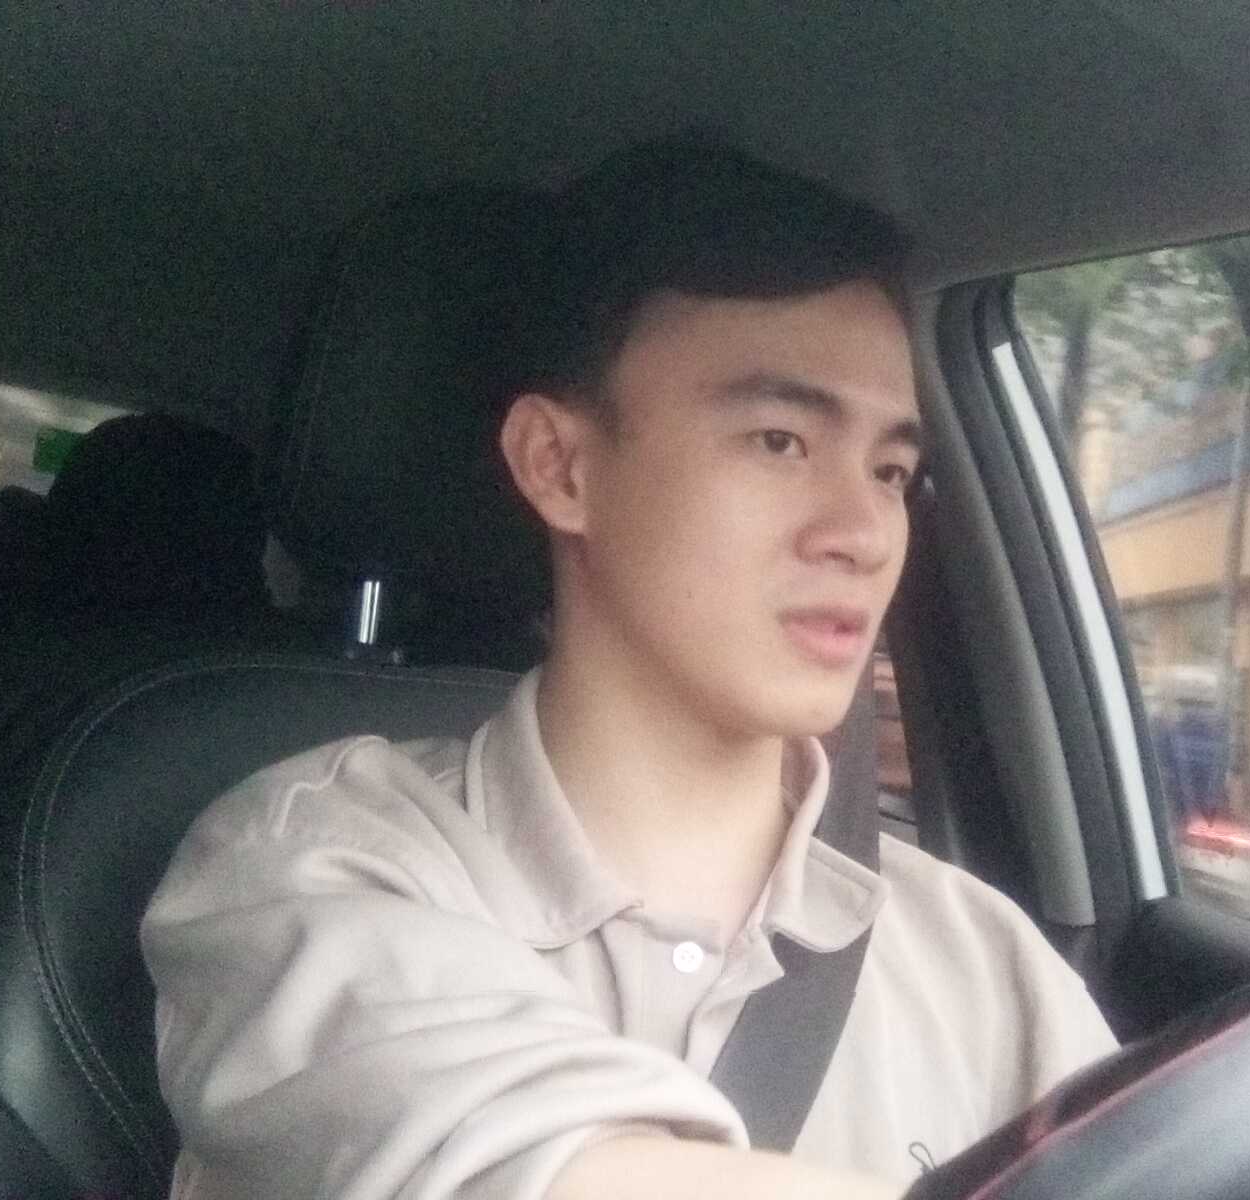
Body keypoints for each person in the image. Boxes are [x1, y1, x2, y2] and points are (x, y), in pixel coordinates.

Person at [142, 141, 1117, 1200]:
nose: (865, 533)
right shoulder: (309, 866)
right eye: (779, 440)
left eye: (890, 470)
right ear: (559, 465)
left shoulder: (985, 962)